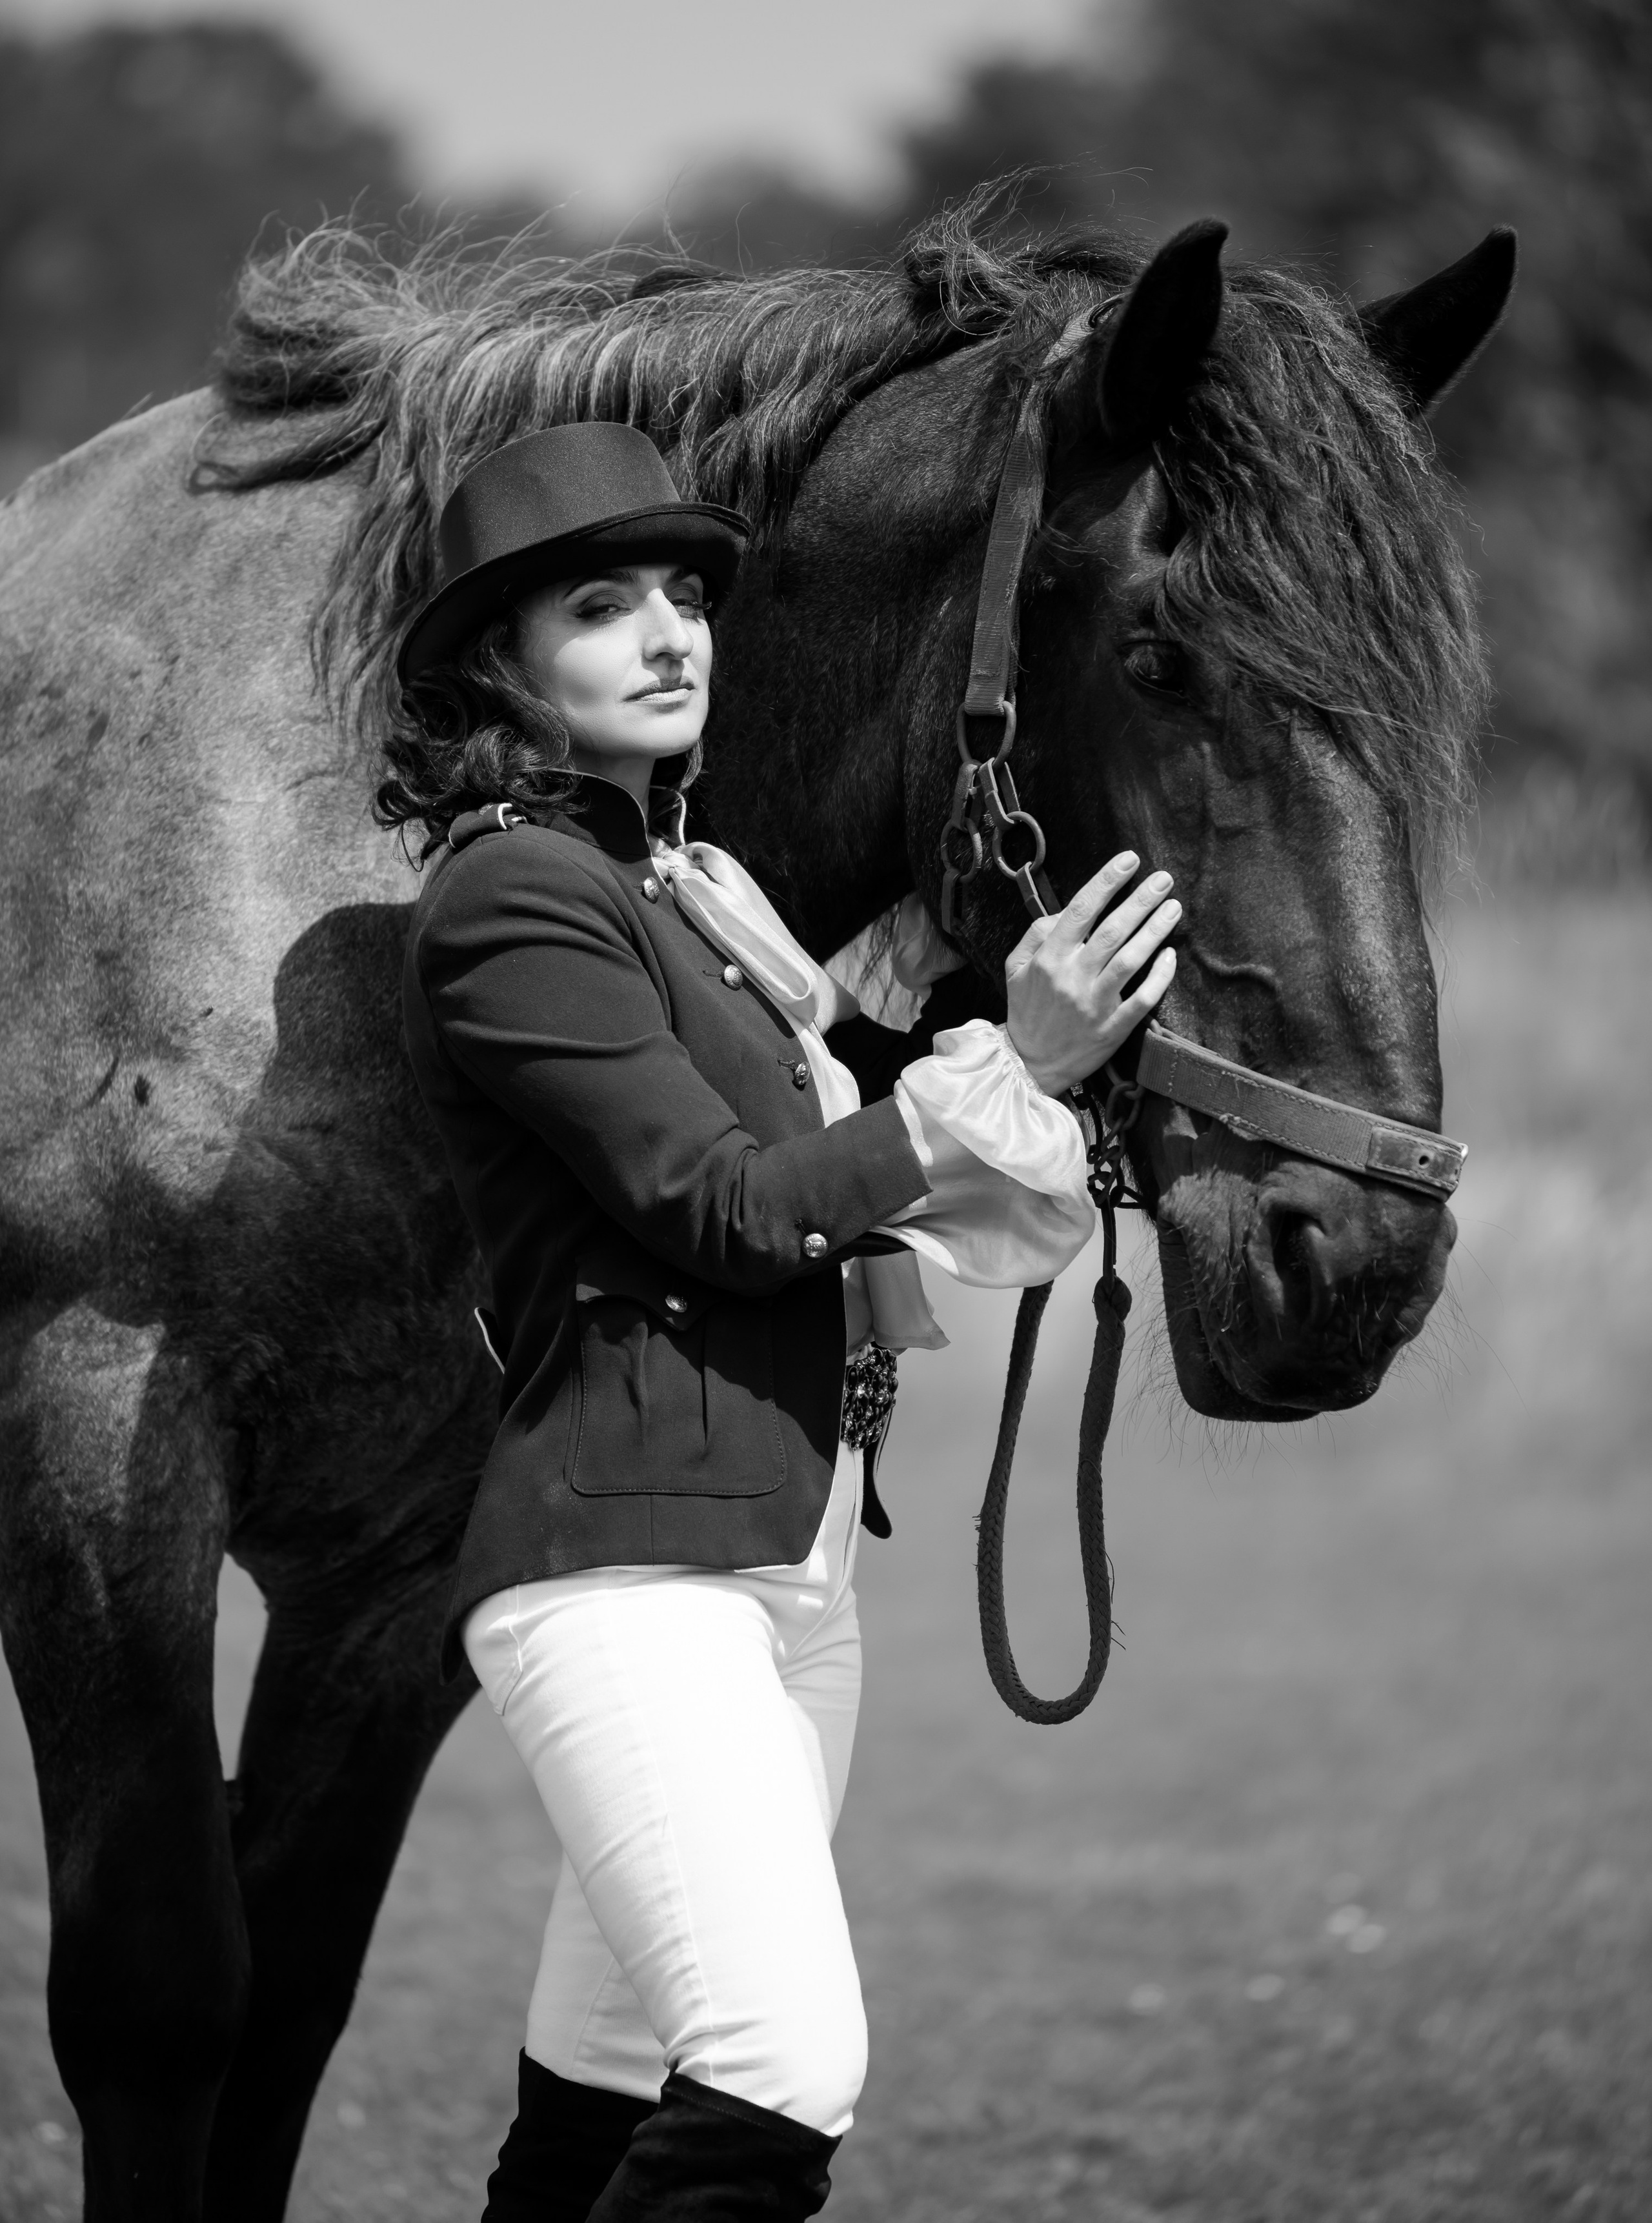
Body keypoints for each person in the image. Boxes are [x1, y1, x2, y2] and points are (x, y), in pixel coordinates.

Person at [387, 421, 1180, 2221]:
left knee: (597, 2101)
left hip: (789, 1574)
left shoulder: (690, 890)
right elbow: (729, 1207)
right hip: (632, 1577)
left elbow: (832, 1107)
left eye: (686, 595)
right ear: (505, 670)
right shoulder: (515, 896)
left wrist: (987, 1001)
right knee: (777, 2072)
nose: (671, 632)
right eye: (604, 606)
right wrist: (1018, 1066)